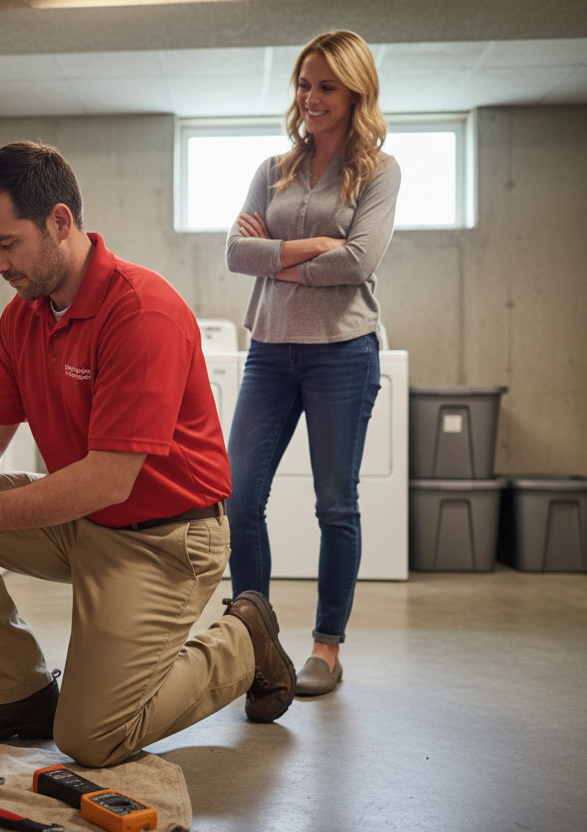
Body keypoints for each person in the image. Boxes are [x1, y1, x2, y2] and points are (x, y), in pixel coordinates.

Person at [0, 141, 296, 768]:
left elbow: (109, 479)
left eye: (6, 244)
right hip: (86, 521)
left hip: (167, 536)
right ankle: (17, 692)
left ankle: (244, 640)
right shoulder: (26, 316)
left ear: (60, 222)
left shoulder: (140, 311)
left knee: (92, 738)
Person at [225, 30, 400, 697]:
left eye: (327, 86)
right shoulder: (273, 169)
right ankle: (253, 640)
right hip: (269, 349)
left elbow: (359, 261)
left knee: (336, 505)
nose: (311, 98)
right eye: (304, 84)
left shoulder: (381, 171)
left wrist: (280, 253)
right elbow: (236, 255)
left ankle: (326, 648)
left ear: (355, 92)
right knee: (239, 499)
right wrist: (315, 246)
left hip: (343, 354)